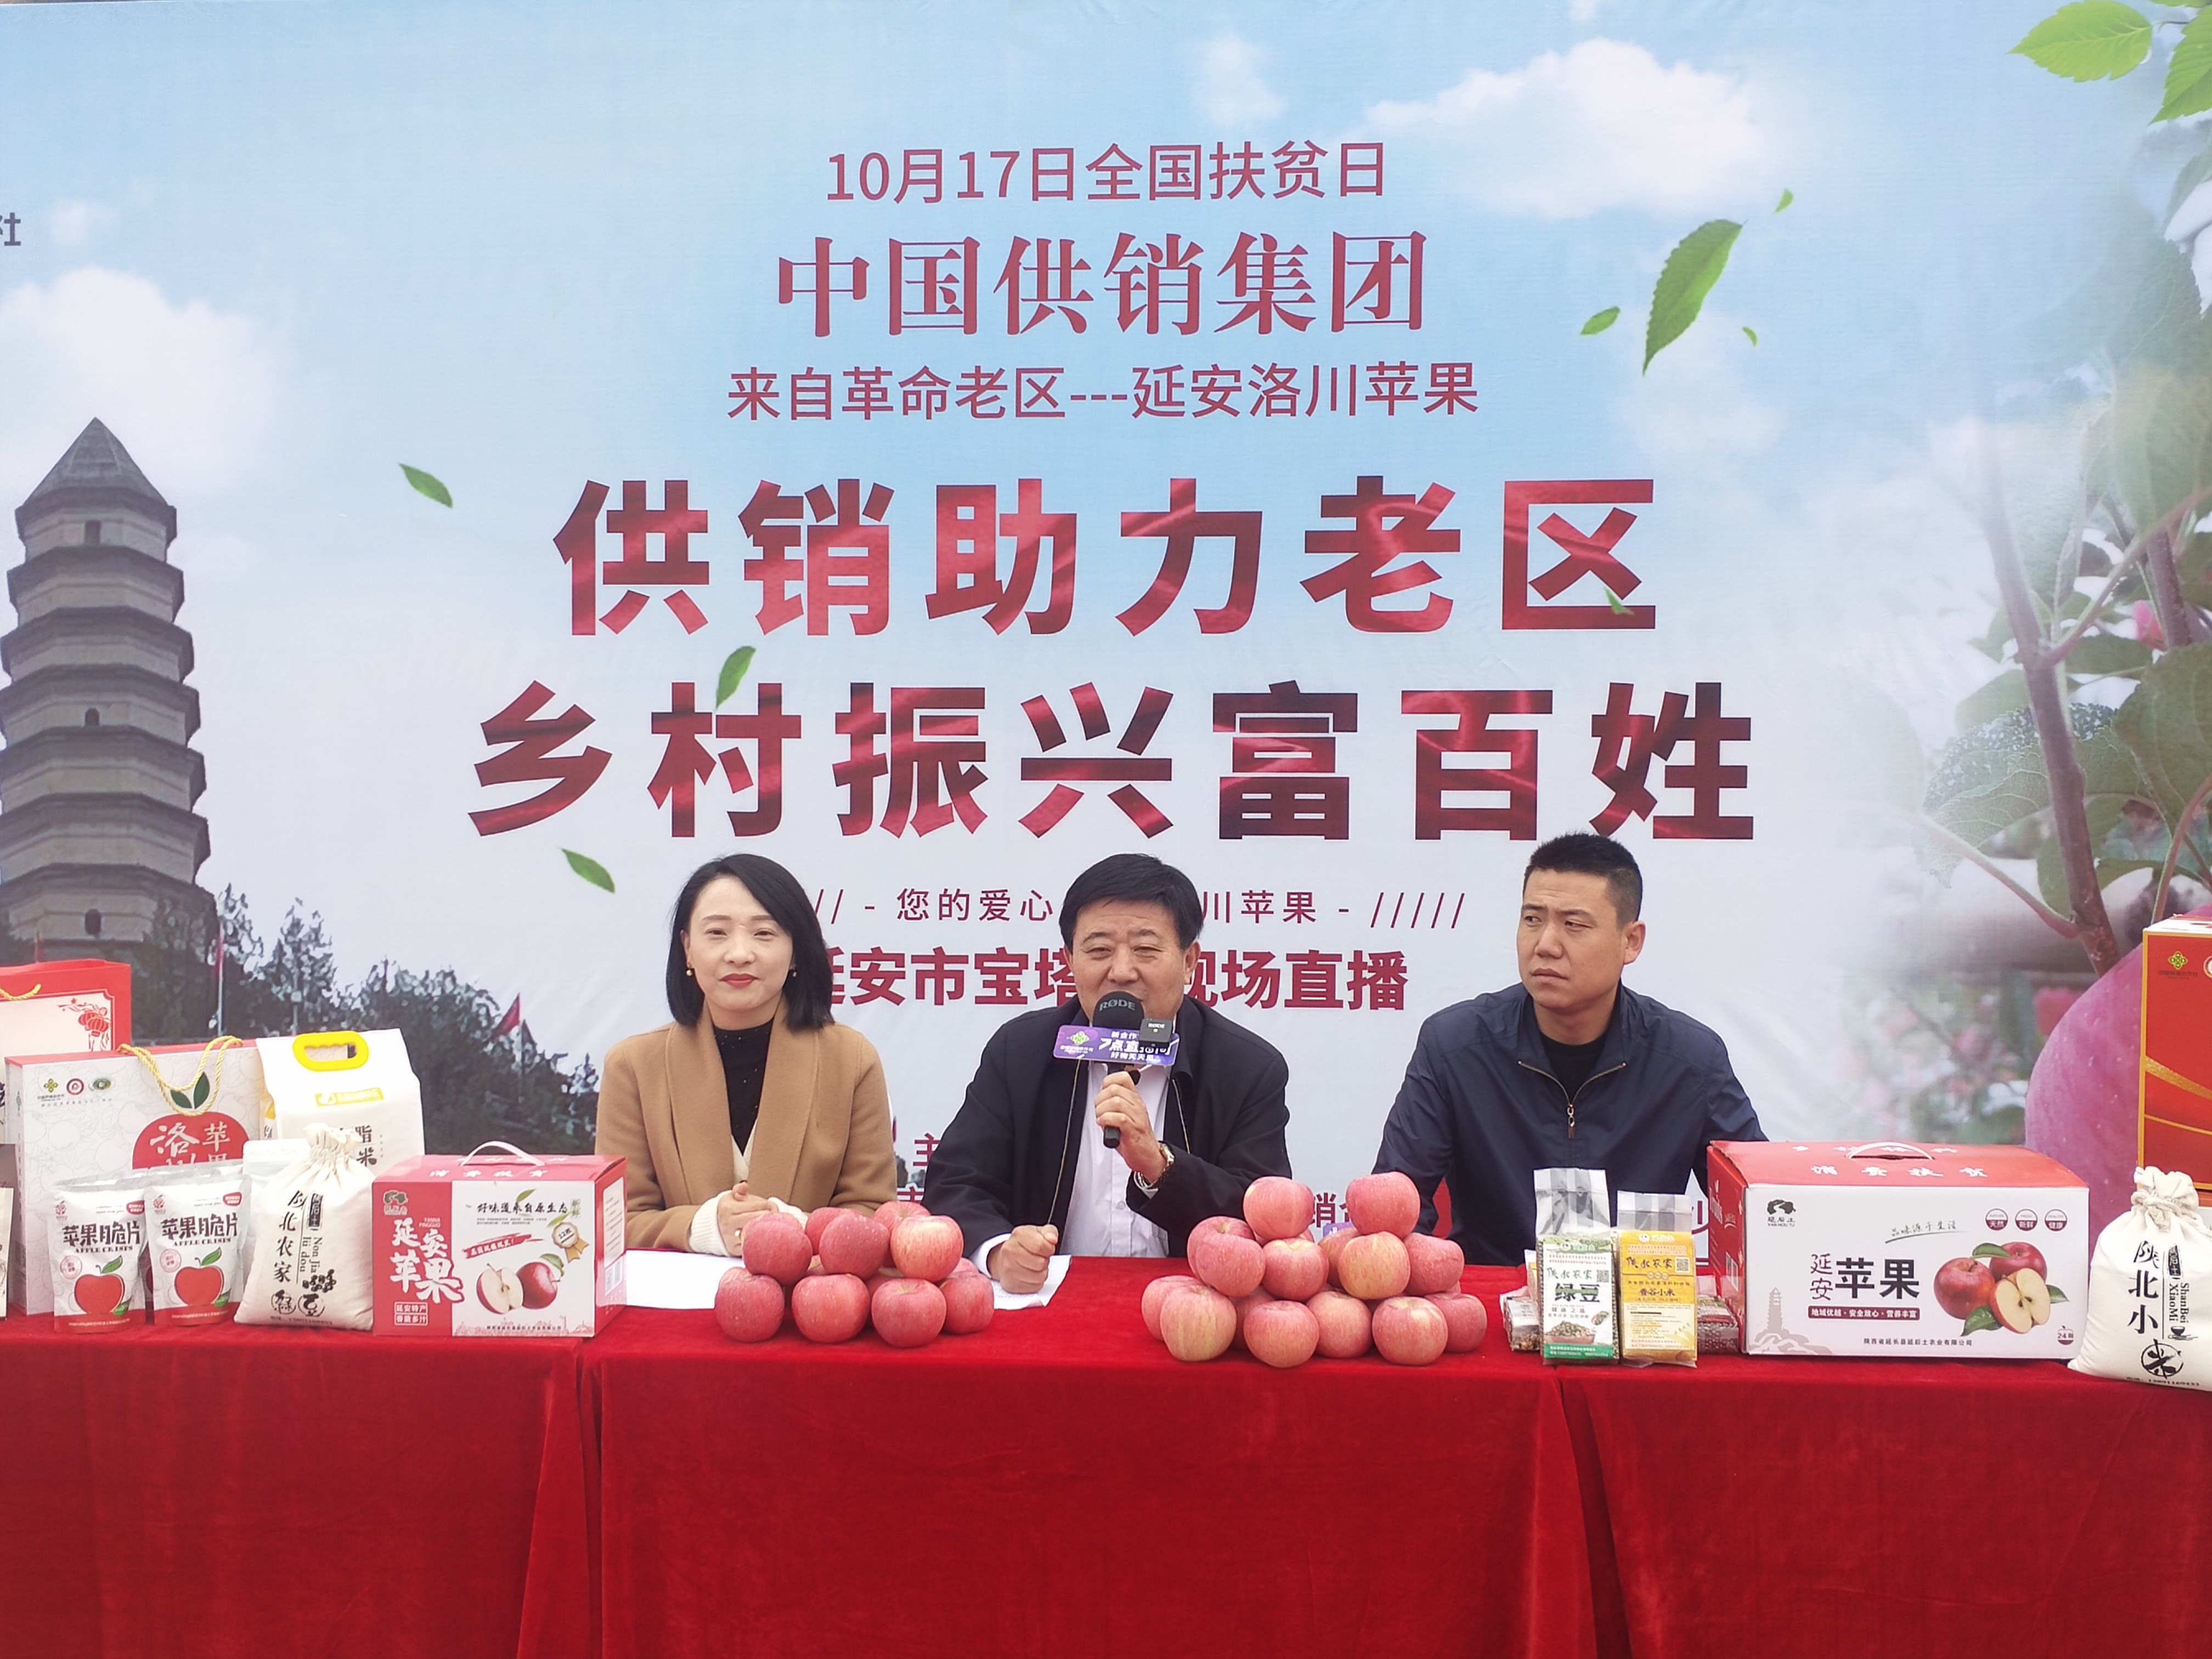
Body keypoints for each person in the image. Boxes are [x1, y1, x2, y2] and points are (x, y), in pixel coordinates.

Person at [1370, 833, 1764, 1265]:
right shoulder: (1454, 1047)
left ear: (1631, 941)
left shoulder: (1691, 1062)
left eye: (1574, 925)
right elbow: (1395, 1212)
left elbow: (1758, 1213)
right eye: (1533, 919)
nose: (1545, 945)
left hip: (1641, 1300)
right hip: (1492, 1294)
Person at [924, 853, 1292, 1292]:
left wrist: (1160, 1166)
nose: (1121, 972)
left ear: (1189, 961)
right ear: (1069, 959)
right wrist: (1000, 1252)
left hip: (1193, 1304)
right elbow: (956, 1181)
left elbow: (1261, 1214)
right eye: (1099, 951)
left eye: (1146, 950)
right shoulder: (1020, 1052)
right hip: (1052, 1305)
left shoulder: (1247, 1067)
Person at [596, 854, 895, 1252]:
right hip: (675, 1291)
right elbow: (616, 1219)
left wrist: (792, 1226)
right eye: (717, 933)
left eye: (764, 933)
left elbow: (874, 1212)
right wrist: (703, 1228)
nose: (739, 953)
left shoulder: (851, 1060)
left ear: (795, 951)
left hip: (809, 1288)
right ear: (687, 948)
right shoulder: (633, 1066)